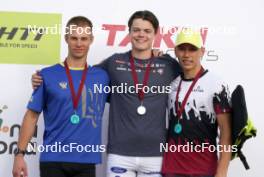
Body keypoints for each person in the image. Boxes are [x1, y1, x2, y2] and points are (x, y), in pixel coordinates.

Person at [32, 10, 181, 177]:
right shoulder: (114, 62)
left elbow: (192, 78)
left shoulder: (169, 65)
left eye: (147, 31)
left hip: (156, 153)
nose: (141, 35)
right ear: (129, 32)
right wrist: (41, 79)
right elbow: (83, 74)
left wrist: (162, 54)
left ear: (156, 33)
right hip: (119, 154)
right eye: (136, 30)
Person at [12, 16, 109, 177]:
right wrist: (19, 155)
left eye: (84, 38)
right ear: (66, 39)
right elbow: (31, 116)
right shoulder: (47, 75)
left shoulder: (102, 77)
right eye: (74, 38)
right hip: (53, 160)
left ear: (91, 40)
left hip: (86, 161)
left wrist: (155, 55)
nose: (79, 44)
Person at [161, 29, 232, 177]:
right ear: (175, 51)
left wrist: (222, 172)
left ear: (202, 51)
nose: (187, 55)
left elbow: (226, 134)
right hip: (171, 169)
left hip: (203, 170)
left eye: (192, 49)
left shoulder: (216, 85)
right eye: (182, 49)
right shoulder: (171, 82)